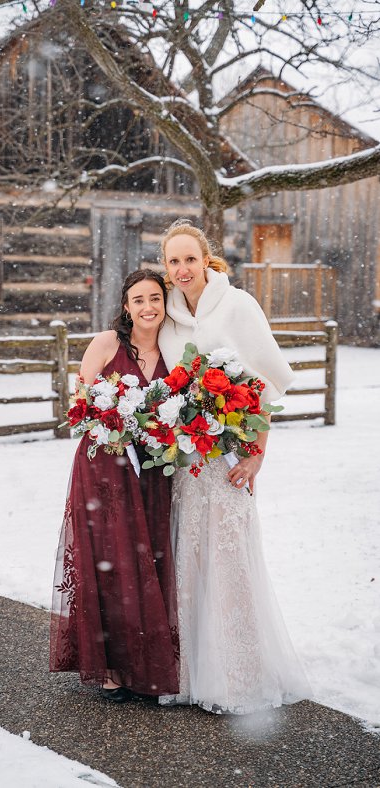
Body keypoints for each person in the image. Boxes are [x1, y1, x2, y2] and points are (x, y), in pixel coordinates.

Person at [157, 219, 311, 714]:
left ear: (207, 260)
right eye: (173, 261)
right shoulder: (169, 316)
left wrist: (257, 452)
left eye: (190, 259)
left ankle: (238, 675)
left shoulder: (238, 304)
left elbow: (265, 381)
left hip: (229, 458)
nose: (182, 269)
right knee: (188, 557)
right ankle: (186, 671)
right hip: (186, 459)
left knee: (229, 560)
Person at [50, 269, 179, 702]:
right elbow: (82, 404)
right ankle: (107, 666)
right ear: (126, 306)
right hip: (105, 469)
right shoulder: (106, 344)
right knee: (109, 561)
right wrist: (116, 422)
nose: (148, 307)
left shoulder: (174, 350)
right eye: (139, 299)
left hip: (153, 473)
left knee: (147, 561)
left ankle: (144, 665)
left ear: (165, 303)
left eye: (155, 298)